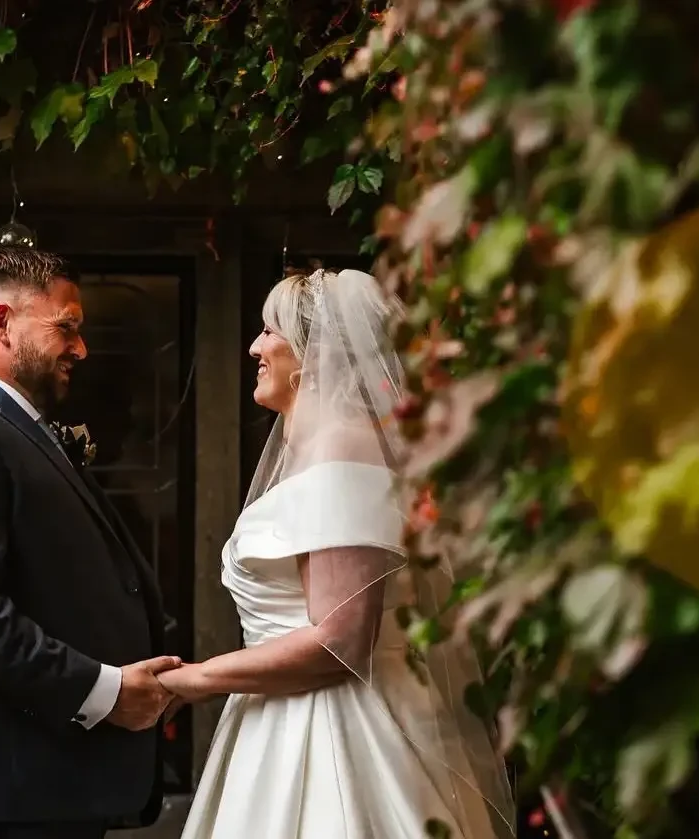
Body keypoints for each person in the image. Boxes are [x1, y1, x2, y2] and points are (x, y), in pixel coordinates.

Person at [159, 268, 517, 838]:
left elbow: (341, 639)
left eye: (269, 330)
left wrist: (200, 678)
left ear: (312, 354)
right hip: (282, 717)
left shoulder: (339, 448)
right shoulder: (324, 449)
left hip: (333, 727)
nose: (255, 347)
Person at [0, 245, 176, 839]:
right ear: (1, 322)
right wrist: (102, 691)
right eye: (66, 326)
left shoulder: (4, 427)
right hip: (2, 795)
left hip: (42, 788)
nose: (80, 348)